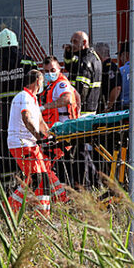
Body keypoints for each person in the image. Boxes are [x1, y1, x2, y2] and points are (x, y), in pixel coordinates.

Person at [7, 70, 67, 217]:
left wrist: (51, 137)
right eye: (42, 81)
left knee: (38, 177)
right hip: (22, 143)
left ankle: (15, 209)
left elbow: (40, 122)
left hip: (30, 143)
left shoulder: (33, 98)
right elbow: (26, 118)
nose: (43, 84)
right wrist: (40, 138)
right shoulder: (24, 97)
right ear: (37, 81)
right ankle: (37, 213)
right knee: (39, 179)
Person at [0, 28, 39, 181]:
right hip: (28, 114)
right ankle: (32, 183)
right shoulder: (28, 62)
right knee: (30, 147)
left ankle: (9, 188)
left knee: (6, 152)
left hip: (6, 118)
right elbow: (38, 87)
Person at [40, 55, 80, 186]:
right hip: (57, 129)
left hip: (63, 130)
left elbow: (68, 98)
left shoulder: (60, 84)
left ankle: (65, 190)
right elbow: (77, 96)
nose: (49, 74)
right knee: (63, 163)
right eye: (46, 71)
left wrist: (45, 107)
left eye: (52, 70)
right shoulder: (52, 85)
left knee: (63, 163)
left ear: (59, 69)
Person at [63, 31, 102, 116]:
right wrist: (68, 54)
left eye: (75, 42)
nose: (72, 45)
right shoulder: (90, 56)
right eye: (71, 42)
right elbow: (69, 67)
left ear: (84, 42)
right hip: (89, 109)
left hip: (82, 111)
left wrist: (73, 103)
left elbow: (82, 88)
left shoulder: (85, 62)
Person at [95, 42, 120, 113]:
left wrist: (109, 106)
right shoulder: (103, 67)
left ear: (98, 54)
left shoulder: (109, 68)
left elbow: (116, 88)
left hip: (112, 111)